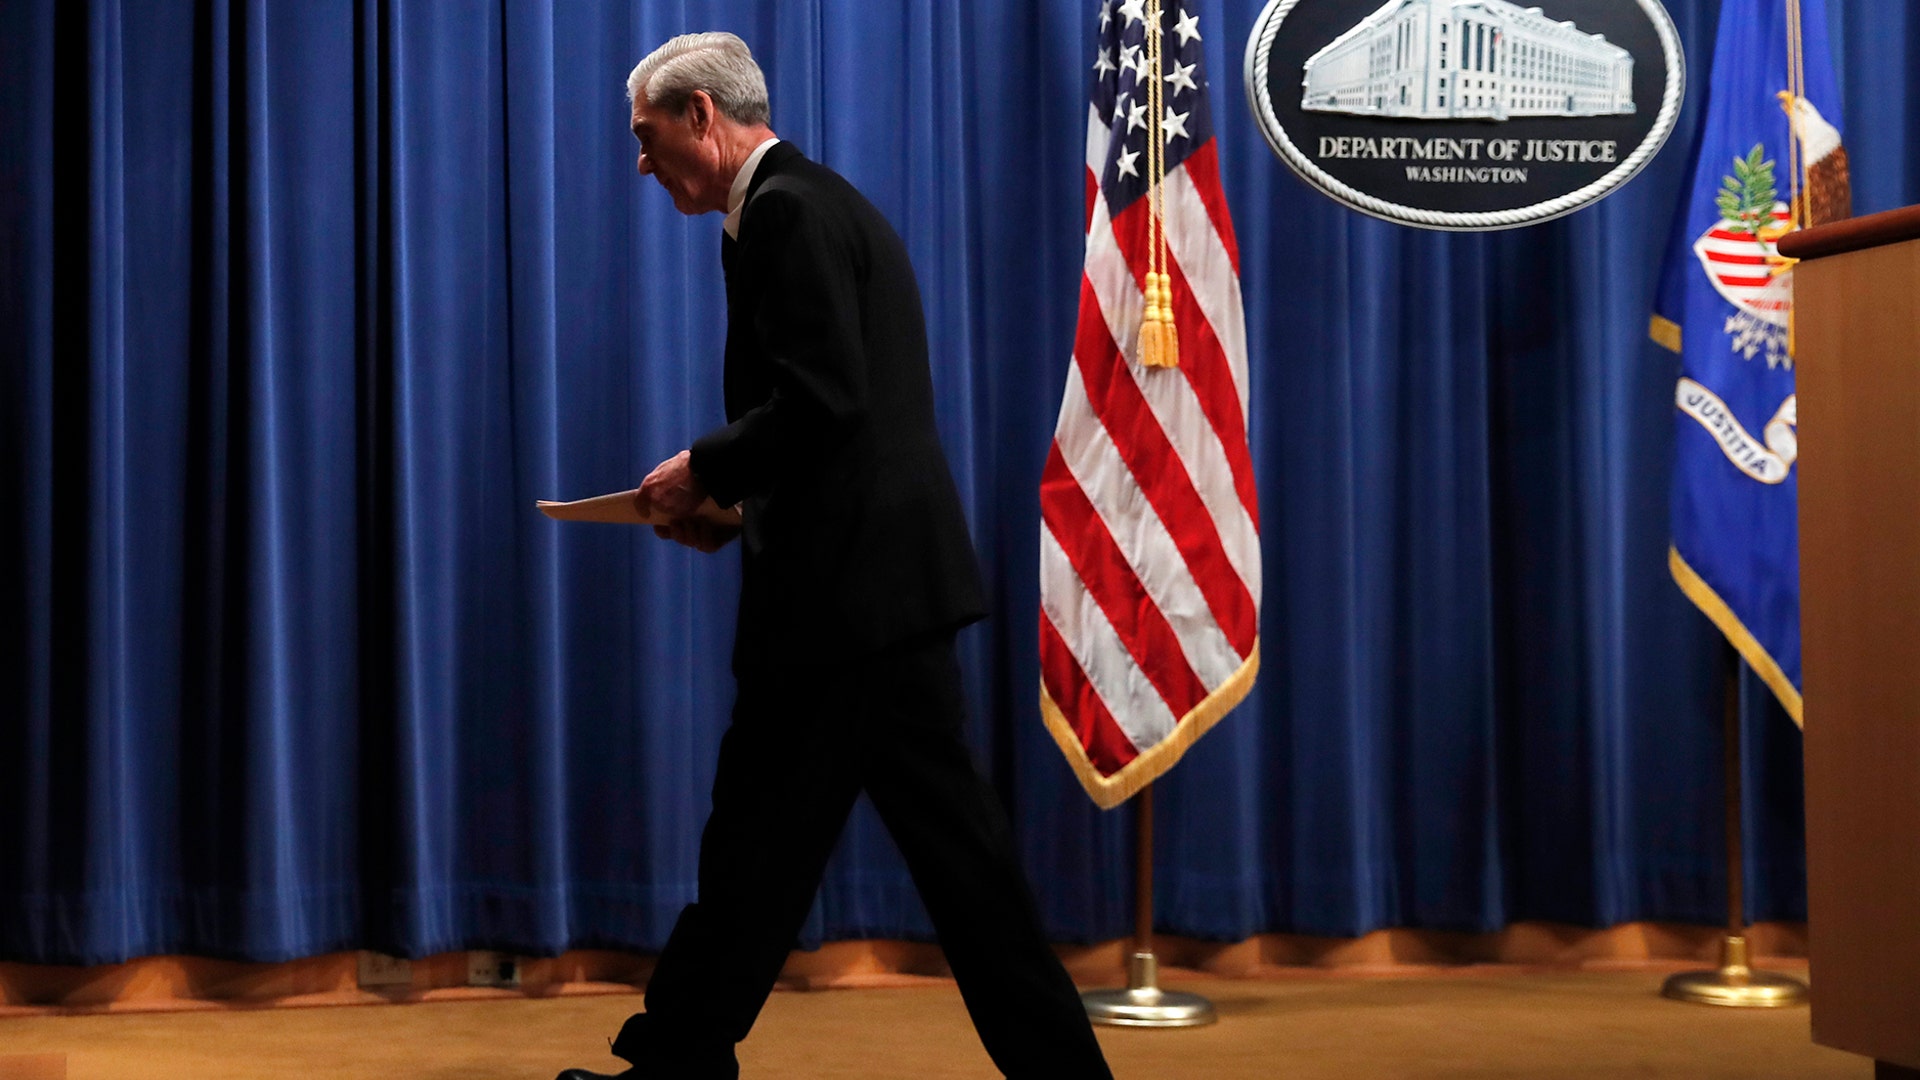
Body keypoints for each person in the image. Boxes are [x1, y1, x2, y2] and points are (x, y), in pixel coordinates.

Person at [554, 32, 1115, 1080]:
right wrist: (734, 511)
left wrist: (702, 471)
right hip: (859, 597)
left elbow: (824, 399)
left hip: (850, 617)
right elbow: (842, 428)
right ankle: (679, 1059)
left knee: (875, 867)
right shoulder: (811, 204)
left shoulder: (785, 212)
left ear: (703, 119)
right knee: (779, 858)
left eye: (648, 137)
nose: (640, 164)